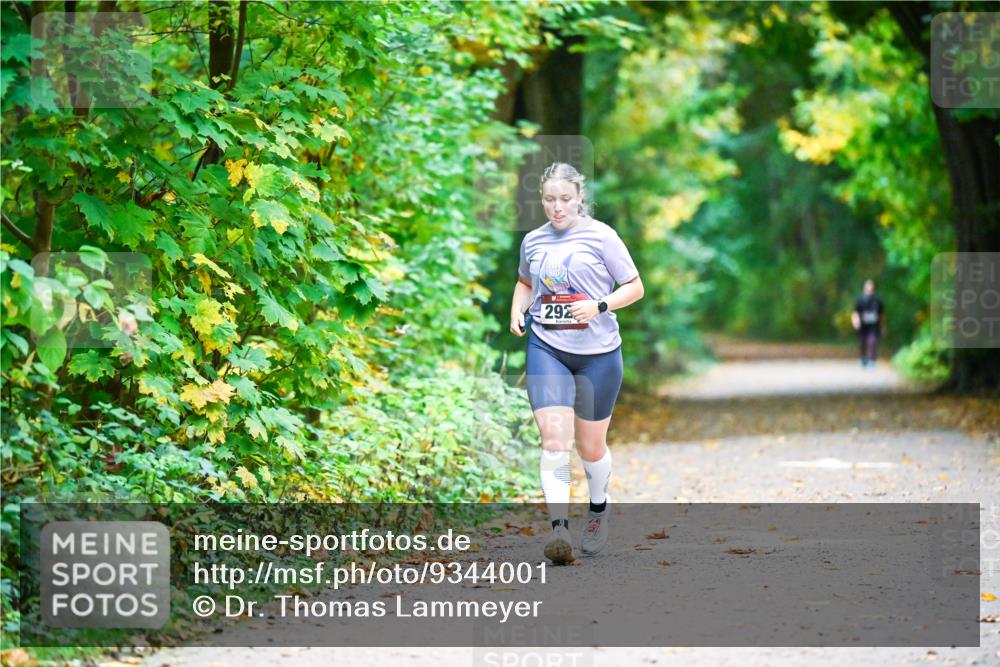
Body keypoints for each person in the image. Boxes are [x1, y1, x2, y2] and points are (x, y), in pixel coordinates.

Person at [509, 162, 644, 564]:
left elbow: (635, 287)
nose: (557, 207)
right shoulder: (533, 241)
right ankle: (559, 532)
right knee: (553, 441)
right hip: (547, 348)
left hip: (599, 355)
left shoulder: (602, 236)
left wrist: (599, 304)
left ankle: (598, 511)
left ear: (579, 197)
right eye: (549, 200)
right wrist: (517, 310)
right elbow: (525, 282)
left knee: (590, 448)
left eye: (565, 199)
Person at [851, 279, 884, 367]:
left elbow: (881, 315)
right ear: (865, 288)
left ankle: (872, 360)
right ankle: (863, 358)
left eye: (871, 288)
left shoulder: (877, 300)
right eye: (868, 288)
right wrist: (856, 322)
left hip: (873, 325)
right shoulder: (860, 299)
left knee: (872, 341)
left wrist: (882, 326)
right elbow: (855, 312)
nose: (870, 290)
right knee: (862, 342)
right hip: (863, 325)